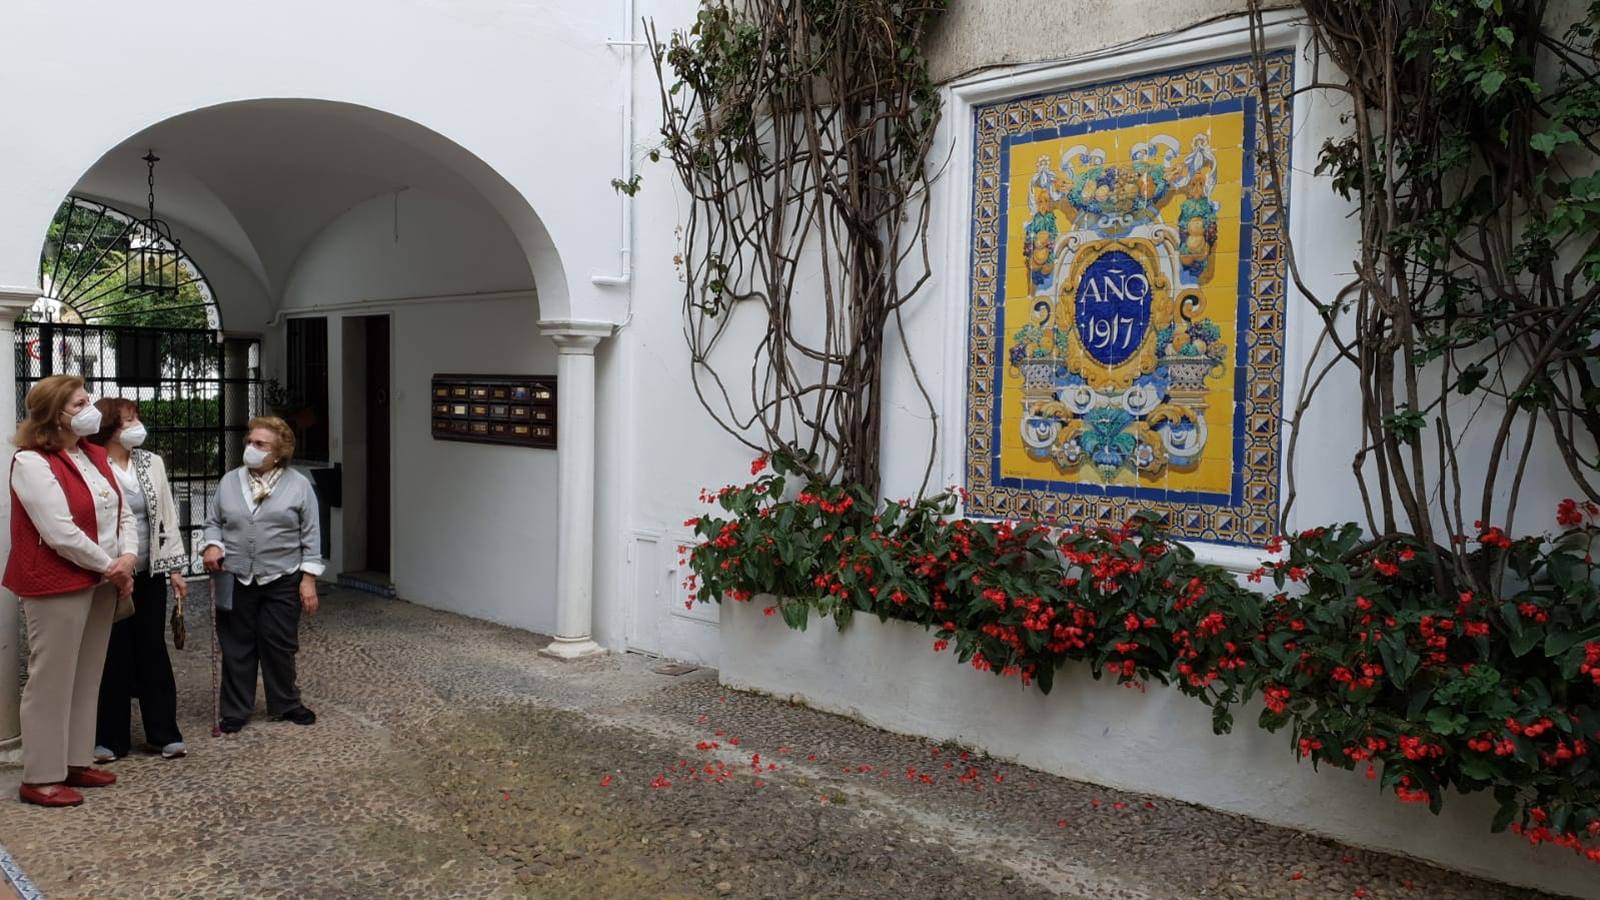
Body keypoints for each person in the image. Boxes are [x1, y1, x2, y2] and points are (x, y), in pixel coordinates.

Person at [4, 374, 136, 807]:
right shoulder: (31, 462)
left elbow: (124, 513)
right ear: (53, 415)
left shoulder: (95, 454)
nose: (89, 410)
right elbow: (59, 531)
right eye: (79, 404)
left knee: (87, 672)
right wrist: (111, 566)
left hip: (102, 579)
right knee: (51, 678)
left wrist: (128, 557)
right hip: (57, 582)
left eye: (88, 401)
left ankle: (76, 760)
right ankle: (40, 775)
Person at [201, 416, 322, 733]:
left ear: (279, 452)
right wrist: (212, 545)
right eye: (249, 442)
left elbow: (311, 536)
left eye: (260, 444)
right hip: (237, 576)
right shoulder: (229, 482)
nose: (251, 448)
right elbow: (213, 522)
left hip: (282, 576)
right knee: (237, 645)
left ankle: (286, 703)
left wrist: (308, 580)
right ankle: (235, 710)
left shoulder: (299, 486)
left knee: (278, 642)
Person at [86, 398, 190, 762]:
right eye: (128, 420)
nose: (136, 425)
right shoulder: (91, 462)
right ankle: (110, 739)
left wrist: (176, 568)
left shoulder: (152, 463)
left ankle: (164, 734)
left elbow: (167, 517)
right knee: (112, 652)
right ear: (109, 428)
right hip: (110, 573)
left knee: (152, 649)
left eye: (136, 419)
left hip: (149, 572)